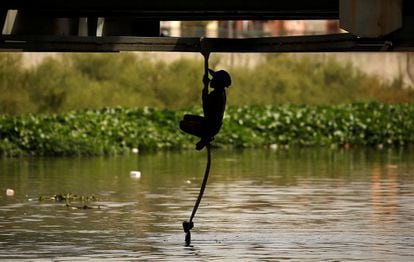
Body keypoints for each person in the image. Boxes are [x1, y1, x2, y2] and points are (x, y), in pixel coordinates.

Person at [180, 69, 231, 150]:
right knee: (186, 117)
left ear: (218, 83)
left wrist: (205, 85)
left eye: (213, 79)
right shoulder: (220, 93)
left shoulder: (216, 95)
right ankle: (207, 136)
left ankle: (206, 137)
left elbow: (205, 107)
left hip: (210, 127)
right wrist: (206, 86)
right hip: (212, 124)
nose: (211, 80)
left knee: (183, 124)